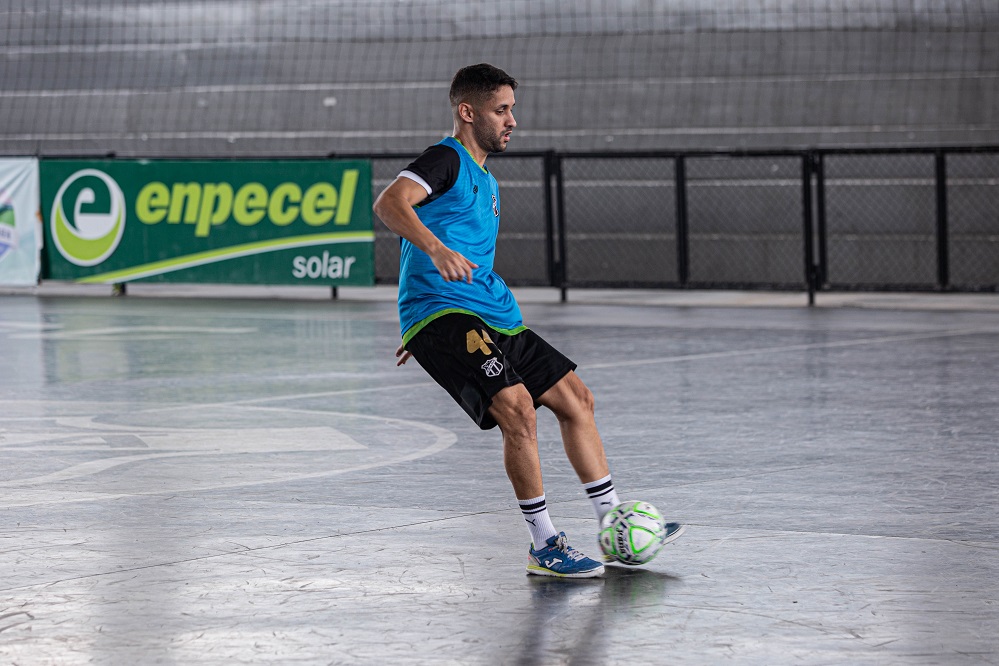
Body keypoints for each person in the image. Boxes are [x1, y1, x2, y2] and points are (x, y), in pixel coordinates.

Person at [373, 63, 683, 578]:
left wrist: (429, 333)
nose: (512, 119)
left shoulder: (487, 180)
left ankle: (614, 528)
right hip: (446, 311)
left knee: (576, 399)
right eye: (502, 109)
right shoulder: (444, 160)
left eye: (512, 108)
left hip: (491, 313)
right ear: (467, 112)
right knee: (518, 409)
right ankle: (544, 543)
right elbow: (391, 203)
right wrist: (431, 290)